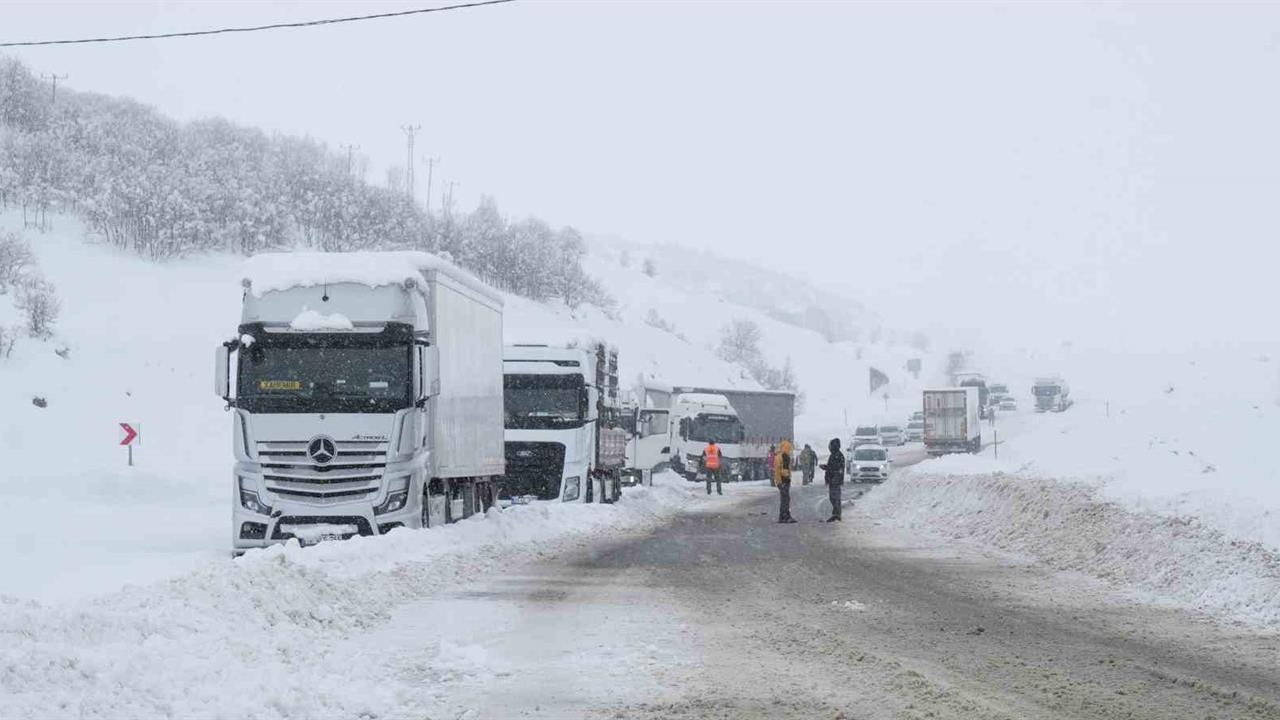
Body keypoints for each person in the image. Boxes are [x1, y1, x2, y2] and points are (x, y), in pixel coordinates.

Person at [819, 437, 846, 522]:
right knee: (833, 497)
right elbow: (832, 467)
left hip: (835, 479)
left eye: (830, 445)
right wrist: (826, 468)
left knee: (835, 497)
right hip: (833, 479)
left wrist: (827, 469)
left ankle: (837, 514)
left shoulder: (838, 456)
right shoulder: (834, 455)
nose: (829, 447)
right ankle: (836, 514)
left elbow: (835, 468)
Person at [773, 439, 796, 523]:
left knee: (786, 499)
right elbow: (777, 470)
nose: (789, 450)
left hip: (786, 481)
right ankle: (784, 516)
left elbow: (787, 469)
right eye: (788, 448)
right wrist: (779, 482)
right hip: (782, 481)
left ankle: (785, 516)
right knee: (785, 499)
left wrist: (788, 477)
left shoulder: (786, 456)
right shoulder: (780, 457)